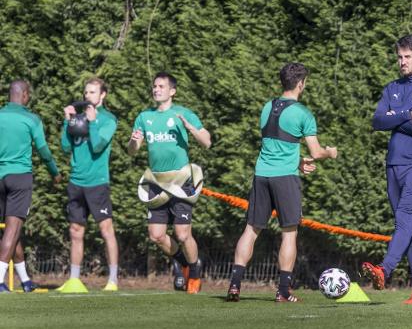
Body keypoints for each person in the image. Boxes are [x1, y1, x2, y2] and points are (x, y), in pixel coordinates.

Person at [226, 62, 338, 303]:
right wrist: (330, 152)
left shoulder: (267, 107)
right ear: (300, 84)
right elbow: (316, 152)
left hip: (262, 175)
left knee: (251, 230)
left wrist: (297, 161)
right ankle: (284, 291)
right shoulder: (303, 113)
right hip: (285, 180)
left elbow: (276, 145)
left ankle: (234, 286)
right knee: (289, 233)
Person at [361, 35, 412, 304]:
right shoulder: (391, 88)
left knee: (405, 218)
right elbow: (377, 121)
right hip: (394, 163)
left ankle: (384, 269)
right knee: (409, 227)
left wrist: (395, 118)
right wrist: (409, 113)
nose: (402, 61)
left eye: (407, 56)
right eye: (399, 57)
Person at [128, 72, 211, 294]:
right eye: (154, 86)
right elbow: (132, 151)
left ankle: (194, 270)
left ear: (172, 91)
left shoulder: (184, 114)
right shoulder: (144, 117)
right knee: (156, 235)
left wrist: (192, 129)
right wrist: (134, 142)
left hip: (182, 180)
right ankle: (182, 261)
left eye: (161, 86)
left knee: (183, 234)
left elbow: (207, 142)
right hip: (156, 182)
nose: (156, 89)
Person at [58, 77, 119, 292]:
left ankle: (112, 280)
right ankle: (74, 280)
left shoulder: (109, 119)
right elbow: (66, 148)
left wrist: (92, 122)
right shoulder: (78, 117)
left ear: (102, 95)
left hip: (97, 183)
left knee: (106, 229)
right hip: (76, 182)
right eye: (86, 92)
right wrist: (68, 121)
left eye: (93, 92)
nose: (87, 96)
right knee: (75, 230)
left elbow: (99, 145)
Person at [0, 80, 61, 293]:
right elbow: (44, 151)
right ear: (24, 95)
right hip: (19, 178)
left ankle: (25, 281)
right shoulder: (31, 119)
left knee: (11, 232)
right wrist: (55, 173)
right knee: (13, 229)